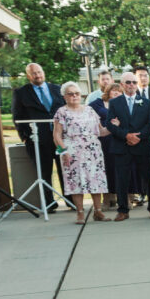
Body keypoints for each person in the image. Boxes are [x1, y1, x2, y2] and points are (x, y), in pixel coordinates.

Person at [106, 72, 150, 221]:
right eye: (128, 82)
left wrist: (138, 136)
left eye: (134, 82)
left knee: (149, 178)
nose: (131, 85)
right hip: (121, 147)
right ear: (122, 85)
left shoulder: (147, 102)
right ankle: (123, 210)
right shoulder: (115, 103)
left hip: (142, 146)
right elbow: (109, 123)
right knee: (122, 180)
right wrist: (126, 136)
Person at [12, 63, 66, 211]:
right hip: (38, 140)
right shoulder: (21, 93)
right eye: (34, 73)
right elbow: (17, 117)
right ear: (29, 76)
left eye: (39, 72)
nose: (37, 75)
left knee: (65, 170)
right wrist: (25, 137)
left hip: (60, 138)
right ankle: (49, 204)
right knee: (44, 172)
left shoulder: (57, 89)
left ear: (43, 72)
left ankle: (70, 201)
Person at [53, 81, 109, 223]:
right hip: (71, 152)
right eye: (70, 94)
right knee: (75, 182)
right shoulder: (61, 112)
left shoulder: (90, 110)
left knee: (96, 181)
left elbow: (101, 131)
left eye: (77, 93)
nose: (74, 96)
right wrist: (63, 151)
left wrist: (113, 127)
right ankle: (80, 213)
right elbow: (56, 135)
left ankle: (98, 212)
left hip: (93, 151)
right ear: (64, 96)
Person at [89, 82, 123, 209]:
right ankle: (107, 199)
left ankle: (122, 199)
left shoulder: (123, 105)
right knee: (105, 168)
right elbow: (89, 114)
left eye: (119, 91)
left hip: (119, 140)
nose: (116, 93)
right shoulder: (96, 104)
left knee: (119, 169)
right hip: (103, 141)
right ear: (108, 92)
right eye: (113, 90)